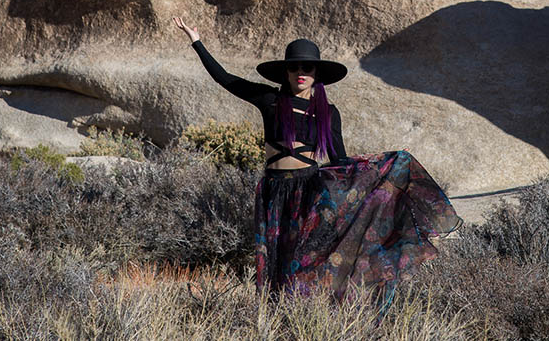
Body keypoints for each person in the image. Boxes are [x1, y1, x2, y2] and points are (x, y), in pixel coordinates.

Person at [175, 17, 462, 301]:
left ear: (316, 74)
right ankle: (274, 316)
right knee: (275, 258)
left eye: (307, 68)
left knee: (304, 258)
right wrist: (197, 41)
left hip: (310, 190)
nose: (300, 72)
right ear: (285, 72)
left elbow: (339, 159)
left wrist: (381, 170)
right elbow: (226, 79)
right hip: (274, 192)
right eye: (294, 67)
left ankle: (311, 311)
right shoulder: (269, 100)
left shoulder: (328, 112)